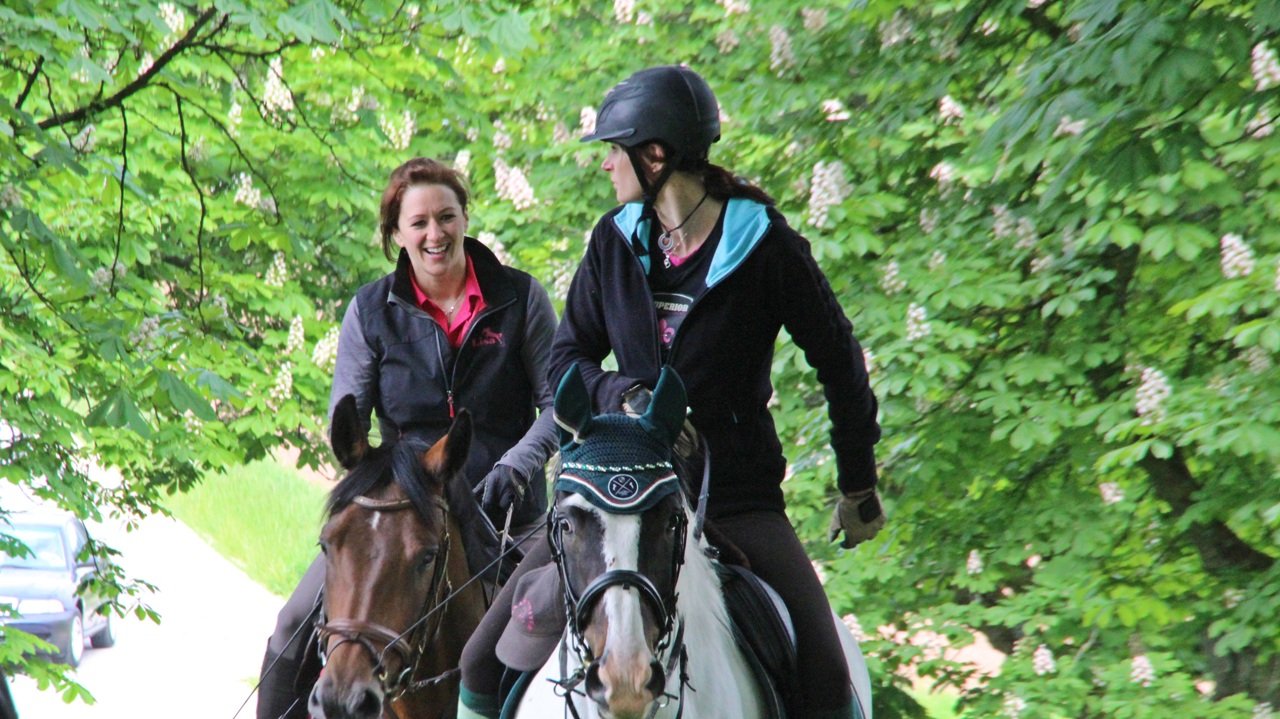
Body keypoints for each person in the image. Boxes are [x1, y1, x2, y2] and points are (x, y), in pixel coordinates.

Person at [546, 65, 886, 719]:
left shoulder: (767, 248)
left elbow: (841, 364)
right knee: (488, 654)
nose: (606, 166)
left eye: (615, 151)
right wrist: (628, 395)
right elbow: (565, 360)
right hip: (614, 496)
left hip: (734, 497)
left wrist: (857, 484)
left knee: (826, 676)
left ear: (654, 156)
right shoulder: (612, 240)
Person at [256, 157, 558, 719]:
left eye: (446, 217)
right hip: (402, 506)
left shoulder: (522, 298)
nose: (434, 233)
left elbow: (559, 402)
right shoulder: (369, 310)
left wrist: (519, 463)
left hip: (508, 508)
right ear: (396, 233)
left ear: (465, 218)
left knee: (568, 632)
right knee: (293, 623)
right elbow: (350, 419)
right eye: (418, 222)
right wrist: (373, 471)